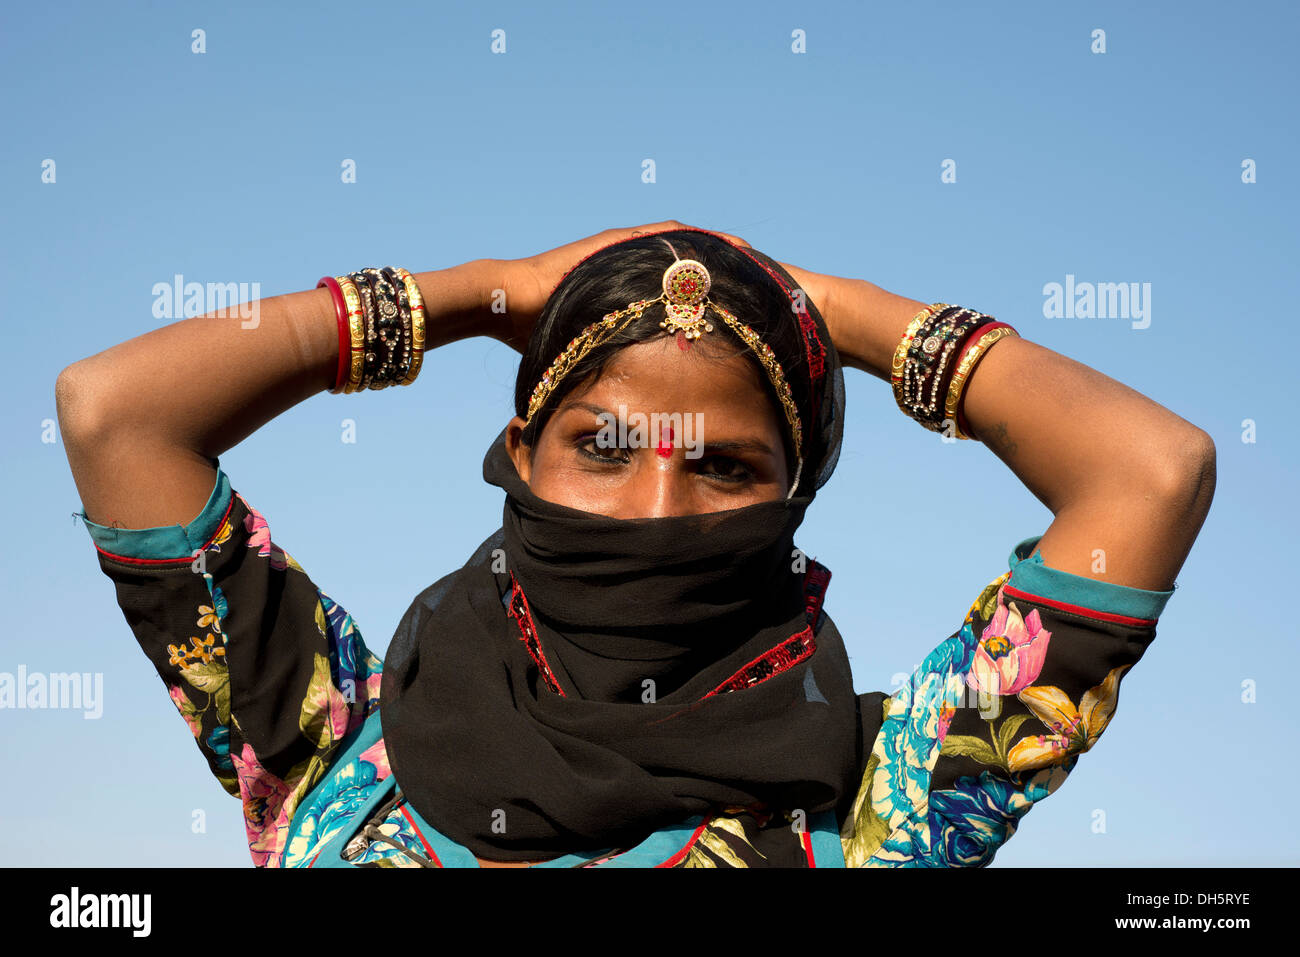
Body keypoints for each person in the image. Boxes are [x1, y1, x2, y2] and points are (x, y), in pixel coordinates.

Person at [56, 221, 1216, 867]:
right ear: (521, 454)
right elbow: (119, 411)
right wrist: (487, 292)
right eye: (603, 447)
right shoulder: (333, 742)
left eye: (725, 465)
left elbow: (1147, 472)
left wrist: (827, 303)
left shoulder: (879, 802)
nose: (658, 511)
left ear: (795, 494)